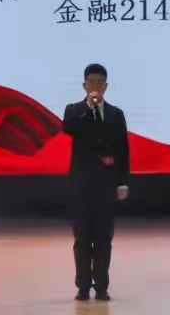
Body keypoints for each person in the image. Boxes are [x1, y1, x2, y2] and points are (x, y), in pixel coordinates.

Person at [61, 63, 130, 301]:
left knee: (103, 239)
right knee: (82, 239)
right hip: (80, 186)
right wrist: (89, 108)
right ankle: (82, 286)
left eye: (100, 82)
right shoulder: (74, 110)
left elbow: (123, 150)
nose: (96, 86)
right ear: (84, 85)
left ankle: (101, 286)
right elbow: (69, 128)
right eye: (91, 82)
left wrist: (123, 182)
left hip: (106, 186)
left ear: (106, 86)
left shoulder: (116, 114)